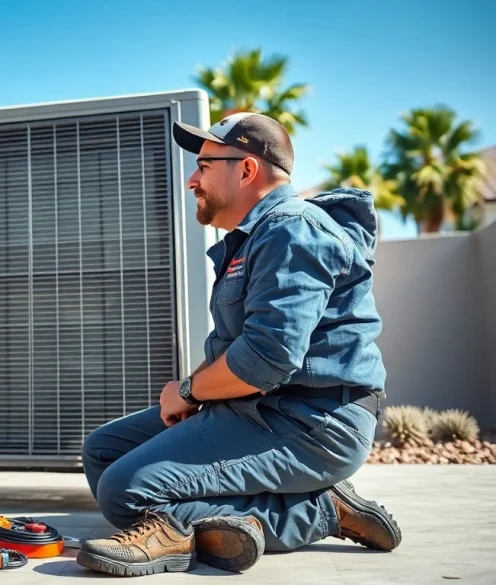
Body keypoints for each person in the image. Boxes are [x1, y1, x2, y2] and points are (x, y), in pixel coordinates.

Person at [76, 112, 402, 577]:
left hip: (312, 422)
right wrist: (196, 395)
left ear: (247, 170)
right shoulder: (255, 238)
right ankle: (239, 515)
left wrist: (188, 392)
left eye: (204, 166)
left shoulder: (293, 230)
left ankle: (318, 510)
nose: (192, 180)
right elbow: (240, 348)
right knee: (104, 452)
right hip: (257, 407)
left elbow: (267, 358)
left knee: (125, 492)